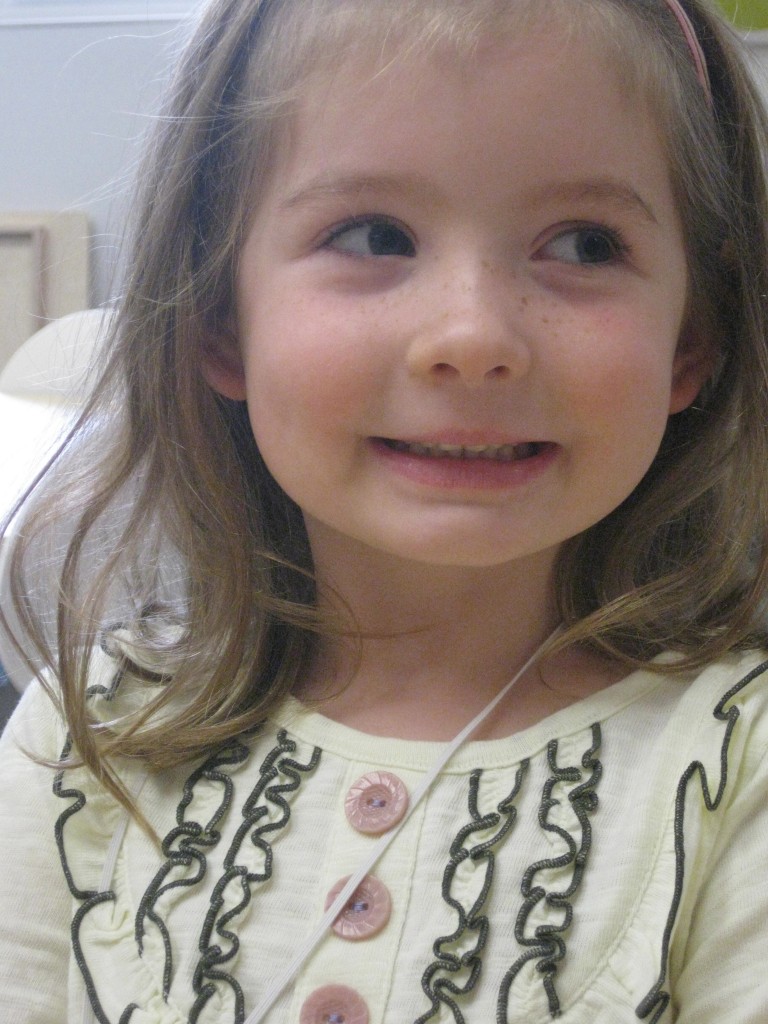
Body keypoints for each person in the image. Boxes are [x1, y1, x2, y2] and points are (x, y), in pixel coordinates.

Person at [2, 0, 768, 1020]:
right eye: (374, 236)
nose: (472, 337)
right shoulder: (88, 730)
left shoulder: (738, 761)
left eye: (585, 246)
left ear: (692, 340)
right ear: (218, 320)